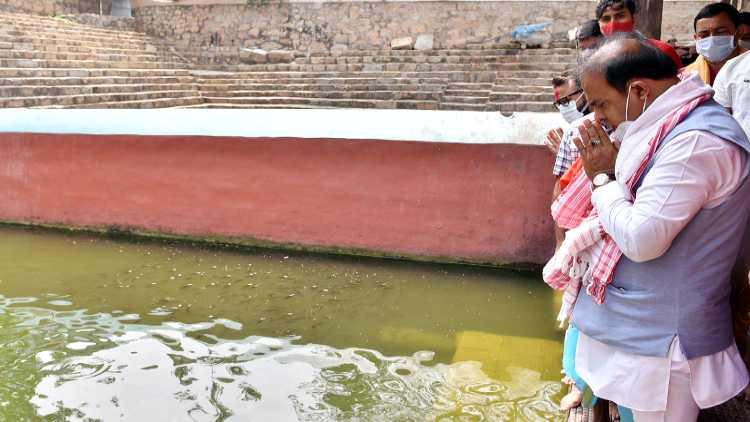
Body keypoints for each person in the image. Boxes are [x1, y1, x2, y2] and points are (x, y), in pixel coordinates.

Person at [564, 34, 750, 421]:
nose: (596, 117)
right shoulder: (667, 126)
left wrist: (602, 179)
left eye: (600, 103)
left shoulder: (697, 141)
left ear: (639, 91)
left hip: (666, 343)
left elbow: (641, 238)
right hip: (641, 329)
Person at [596, 0, 682, 67]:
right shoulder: (596, 60)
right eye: (606, 19)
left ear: (633, 19)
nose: (613, 25)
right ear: (599, 24)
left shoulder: (662, 51)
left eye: (620, 16)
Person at [684, 3, 747, 85]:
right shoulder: (685, 77)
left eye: (721, 32)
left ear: (739, 33)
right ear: (696, 38)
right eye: (704, 35)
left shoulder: (747, 69)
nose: (712, 39)